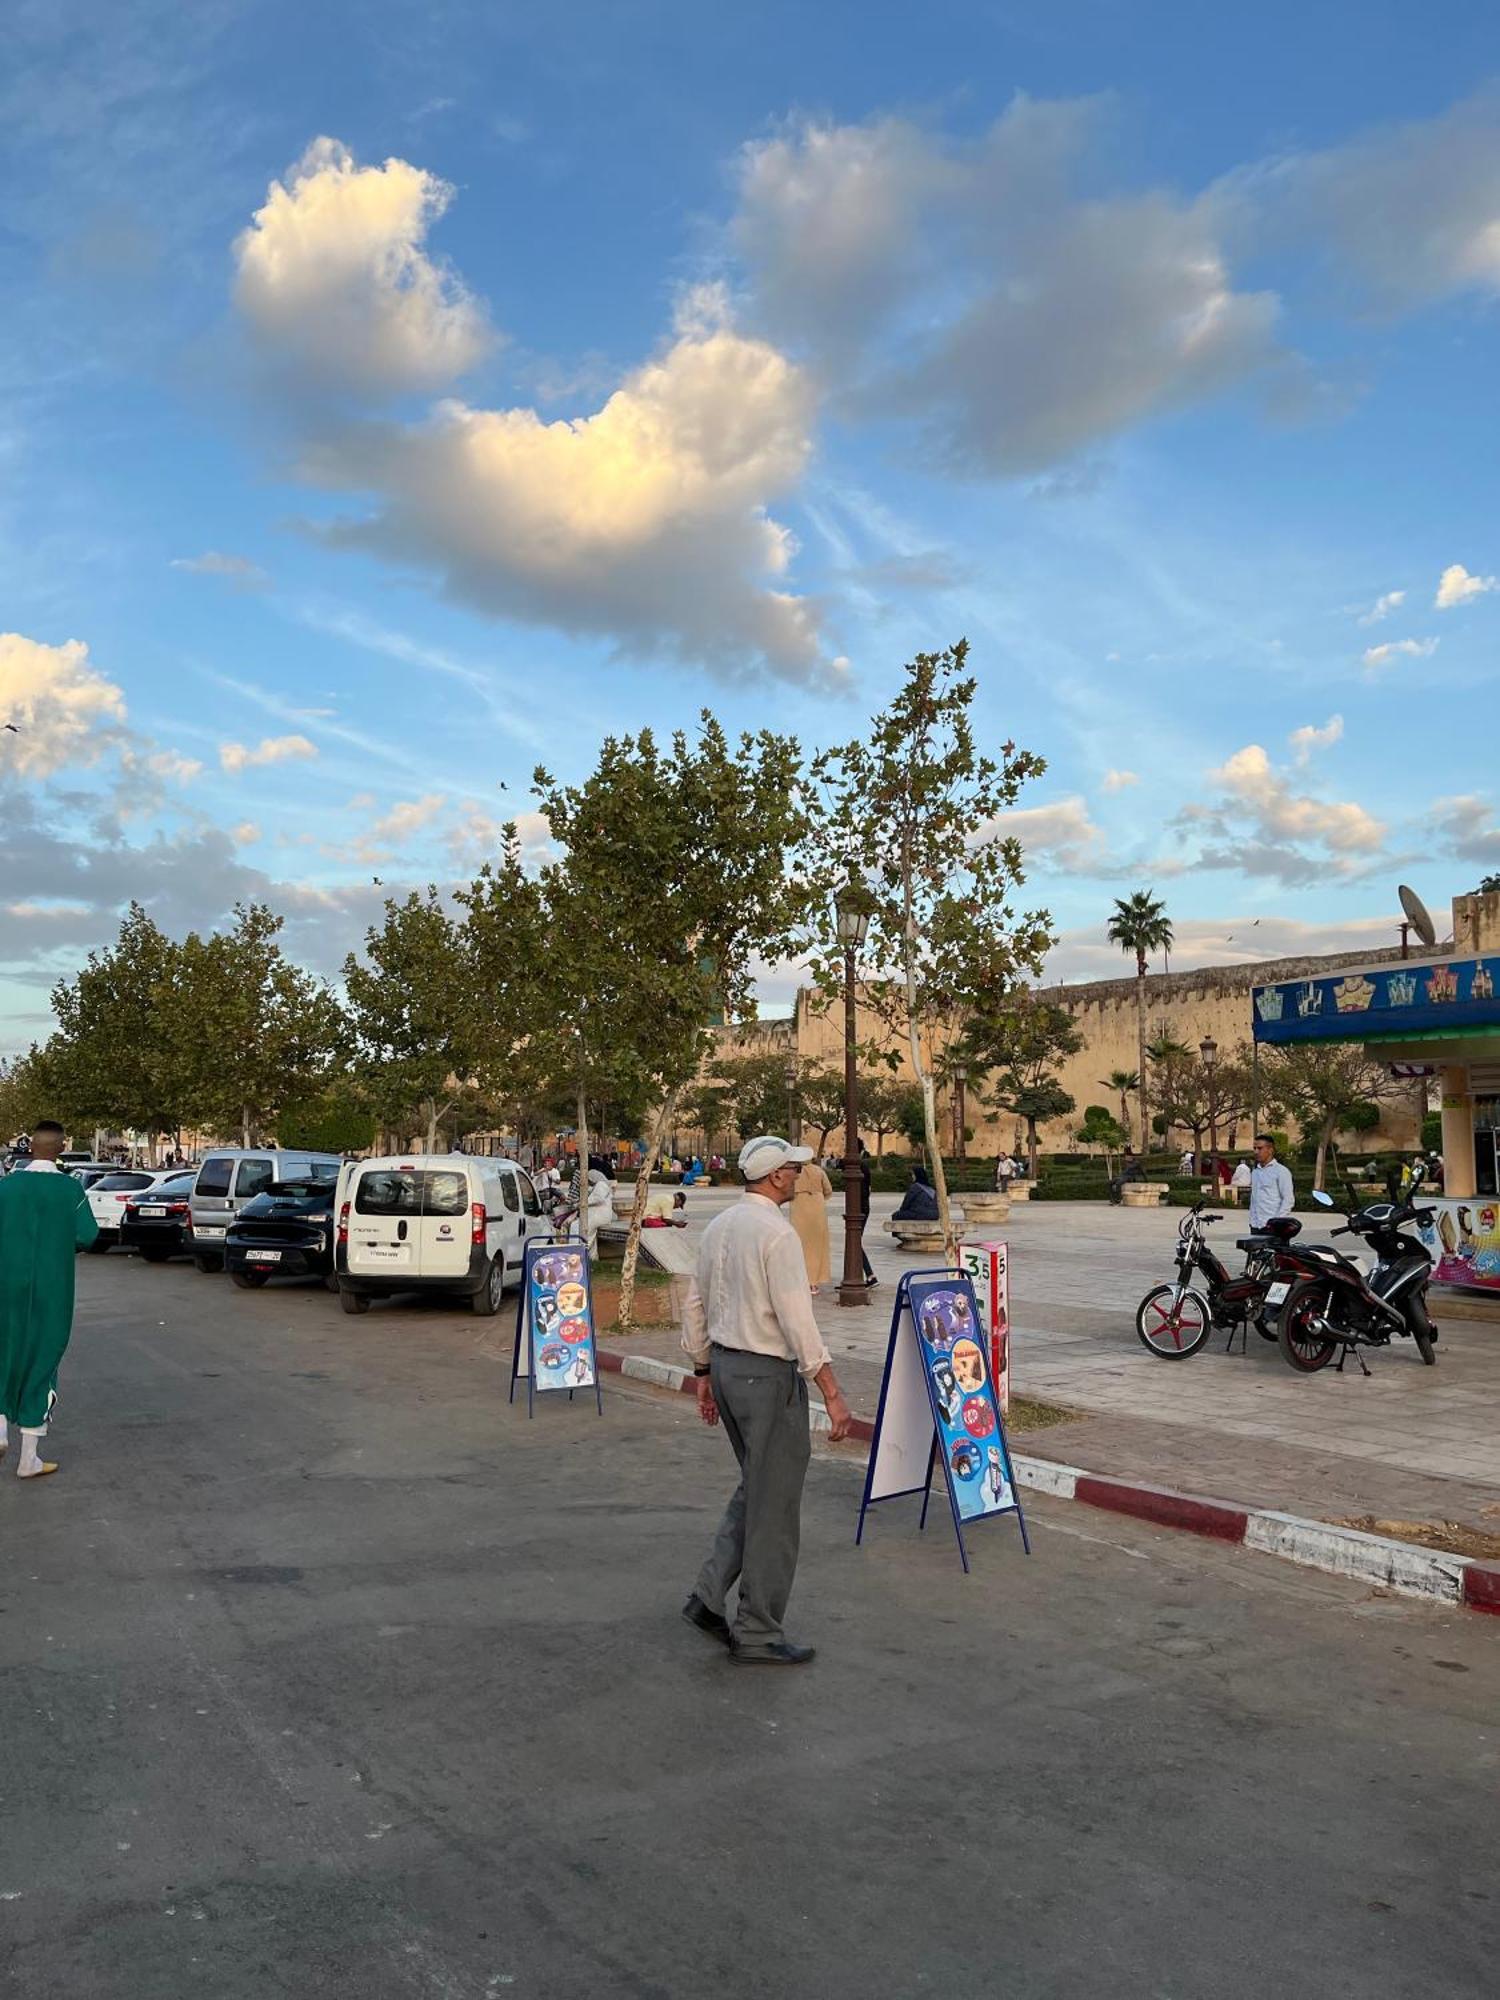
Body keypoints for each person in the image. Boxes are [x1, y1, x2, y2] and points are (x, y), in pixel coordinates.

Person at [681, 1135, 852, 1666]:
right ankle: (757, 1630)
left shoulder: (718, 1228)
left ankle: (709, 1596)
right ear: (776, 1176)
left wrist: (703, 1370)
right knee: (775, 1505)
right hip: (766, 1375)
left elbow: (696, 1302)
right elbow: (797, 1321)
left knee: (756, 1485)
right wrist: (832, 1392)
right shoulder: (777, 1234)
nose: (800, 1177)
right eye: (795, 1170)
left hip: (729, 1368)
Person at [0, 1120, 99, 1479]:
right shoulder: (70, 1190)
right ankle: (29, 1459)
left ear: (29, 1148)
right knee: (43, 1359)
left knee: (3, 1350)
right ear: (61, 1148)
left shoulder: (5, 1187)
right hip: (52, 1288)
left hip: (5, 1282)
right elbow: (88, 1234)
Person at [788, 1157, 833, 1293]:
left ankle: (801, 1280)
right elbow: (828, 1190)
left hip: (799, 1210)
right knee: (817, 1246)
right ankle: (814, 1283)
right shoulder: (819, 1171)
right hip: (818, 1210)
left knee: (800, 1246)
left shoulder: (794, 1173)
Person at [1248, 1133, 1295, 1231]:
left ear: (1270, 1150)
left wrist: (1277, 1221)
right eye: (1254, 1148)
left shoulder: (1281, 1171)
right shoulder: (1255, 1172)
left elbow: (1288, 1199)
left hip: (1273, 1226)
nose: (1256, 1152)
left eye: (1260, 1148)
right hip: (1255, 1225)